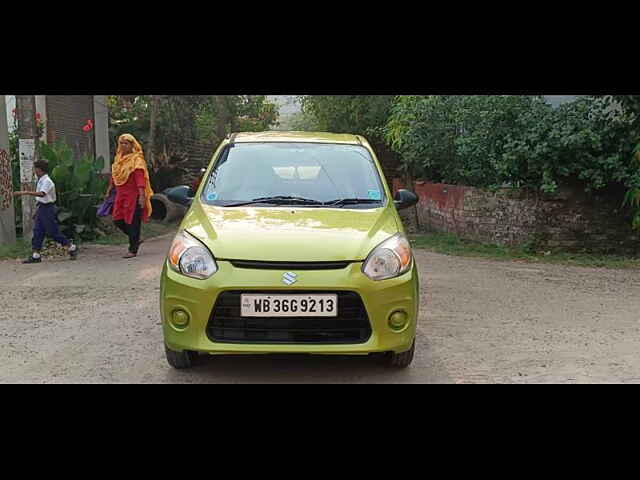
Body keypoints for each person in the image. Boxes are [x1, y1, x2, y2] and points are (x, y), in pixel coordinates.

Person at [13, 160, 78, 264]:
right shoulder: (41, 180)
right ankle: (36, 255)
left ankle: (72, 247)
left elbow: (42, 194)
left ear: (39, 169)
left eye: (35, 169)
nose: (34, 171)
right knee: (38, 231)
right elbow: (41, 198)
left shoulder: (47, 181)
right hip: (42, 208)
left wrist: (25, 192)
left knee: (52, 232)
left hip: (48, 208)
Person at [104, 134, 154, 258]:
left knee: (132, 222)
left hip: (134, 195)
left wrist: (142, 196)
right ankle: (136, 238)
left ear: (132, 145)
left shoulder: (136, 160)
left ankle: (132, 249)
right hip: (120, 195)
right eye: (121, 143)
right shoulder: (118, 159)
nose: (123, 145)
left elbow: (140, 179)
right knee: (117, 219)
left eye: (126, 143)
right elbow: (114, 177)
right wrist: (109, 190)